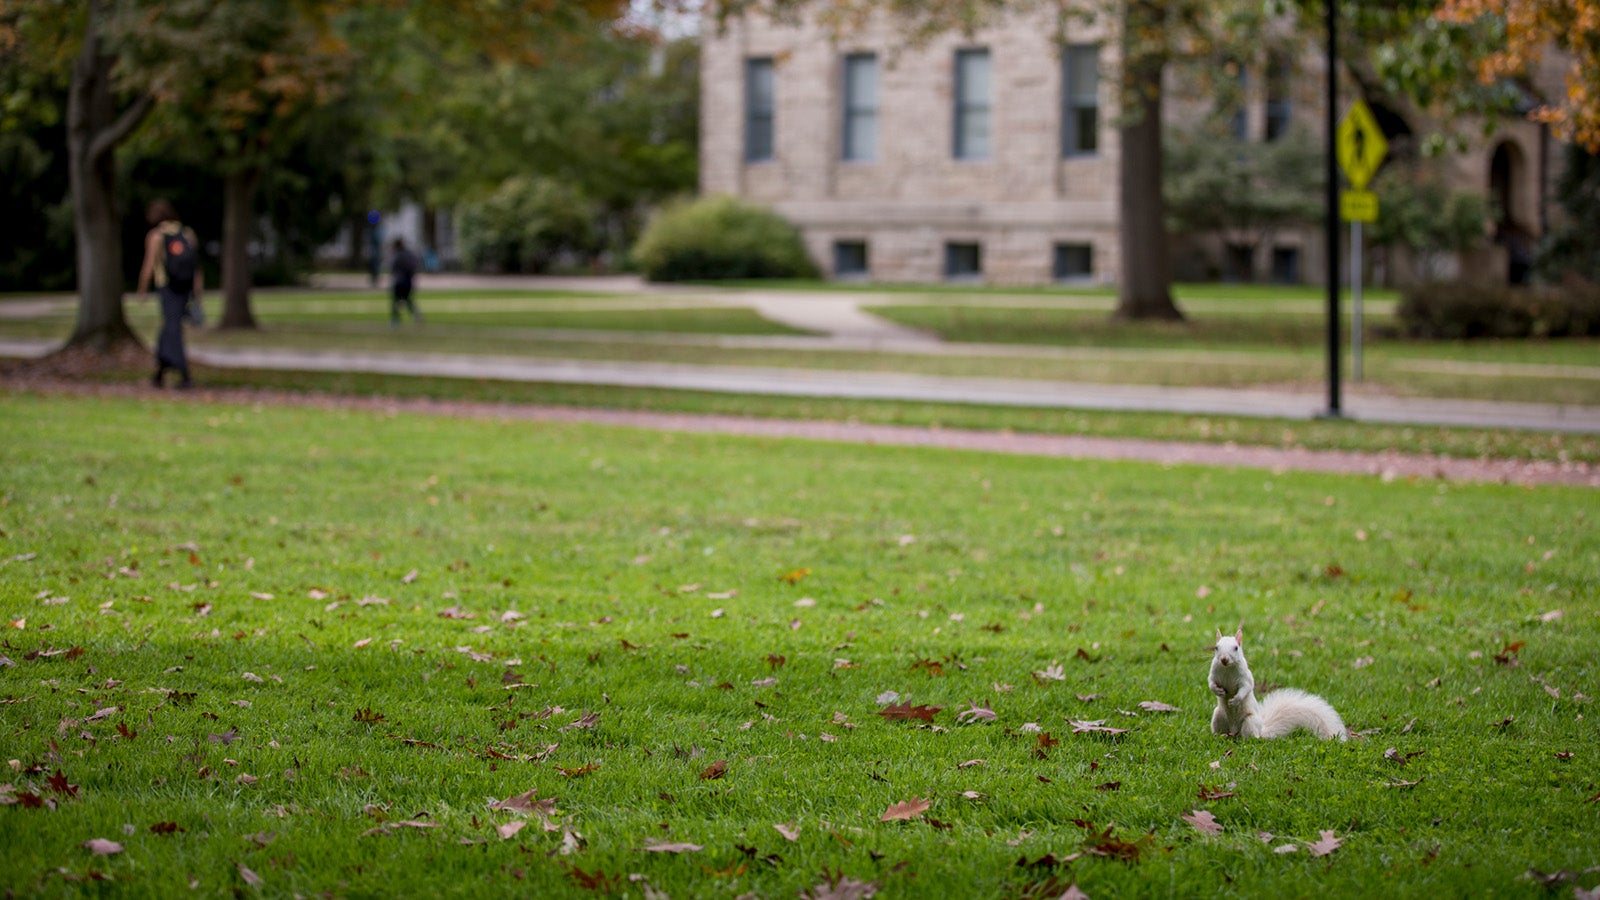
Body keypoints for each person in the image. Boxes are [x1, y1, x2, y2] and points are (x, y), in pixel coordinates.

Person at [136, 199, 201, 389]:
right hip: (185, 288)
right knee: (169, 328)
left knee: (172, 329)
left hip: (167, 288)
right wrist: (197, 291)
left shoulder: (156, 236)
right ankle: (159, 374)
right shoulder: (187, 234)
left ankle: (184, 375)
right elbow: (195, 266)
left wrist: (142, 289)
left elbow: (149, 266)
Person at [389, 237, 423, 326]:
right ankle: (417, 316)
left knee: (396, 301)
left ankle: (395, 320)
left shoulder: (397, 255)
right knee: (408, 300)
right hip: (408, 281)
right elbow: (415, 266)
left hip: (399, 281)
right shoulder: (409, 254)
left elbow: (392, 267)